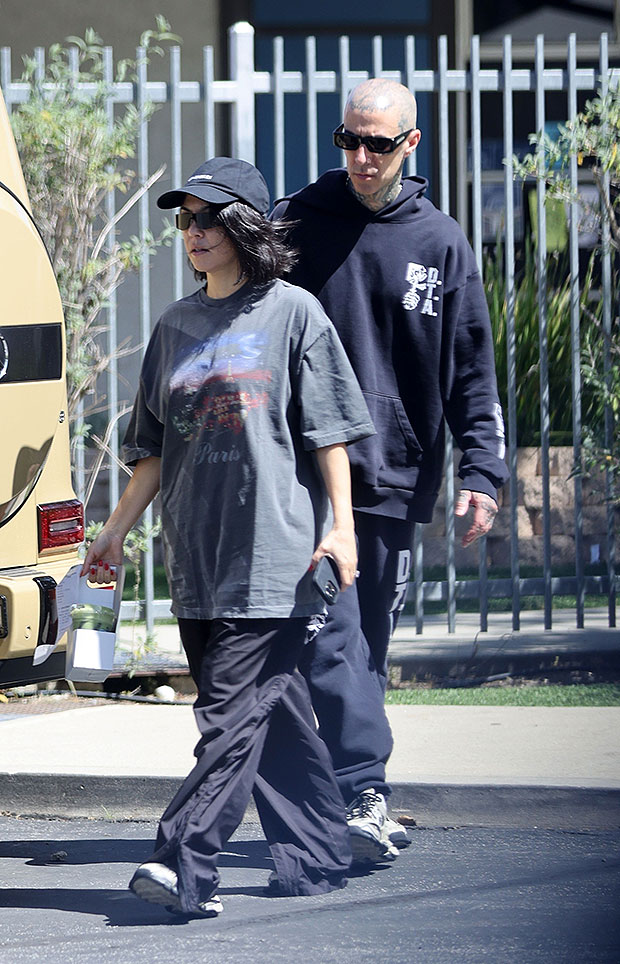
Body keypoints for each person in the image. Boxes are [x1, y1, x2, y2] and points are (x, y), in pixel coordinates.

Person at [82, 156, 376, 917]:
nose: (194, 233)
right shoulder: (174, 325)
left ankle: (184, 862)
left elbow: (330, 434)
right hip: (197, 552)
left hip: (274, 551)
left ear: (244, 225)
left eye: (209, 218)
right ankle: (317, 851)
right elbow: (153, 453)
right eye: (185, 220)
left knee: (227, 714)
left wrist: (341, 529)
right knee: (265, 708)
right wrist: (113, 533)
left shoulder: (292, 313)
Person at [271, 79, 509, 863]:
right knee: (327, 632)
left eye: (378, 144)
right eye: (349, 141)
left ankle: (355, 800)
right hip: (304, 476)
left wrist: (483, 472)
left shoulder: (440, 244)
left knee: (364, 642)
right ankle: (360, 791)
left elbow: (472, 369)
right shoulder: (300, 222)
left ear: (411, 144)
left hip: (394, 475)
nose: (361, 159)